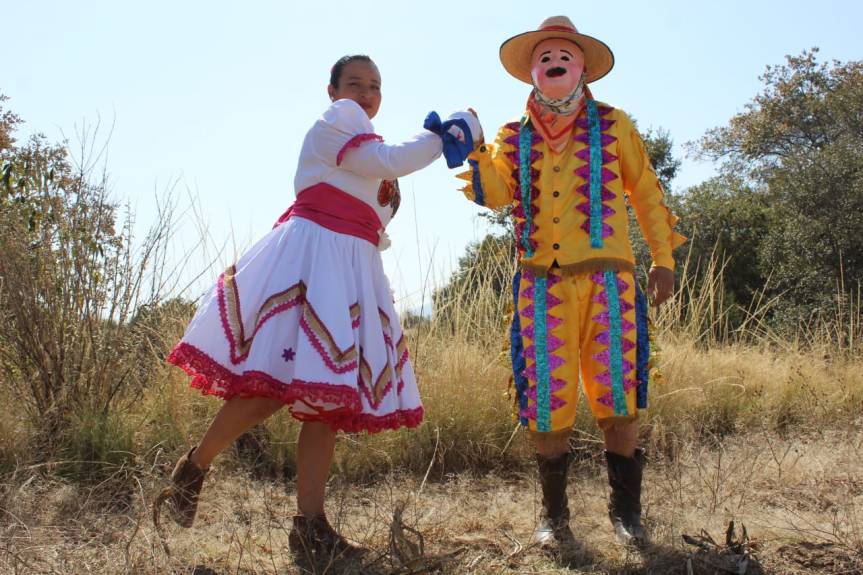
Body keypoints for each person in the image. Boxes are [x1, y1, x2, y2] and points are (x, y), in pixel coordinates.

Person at [155, 54, 481, 565]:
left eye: (375, 86)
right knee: (268, 391)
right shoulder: (338, 121)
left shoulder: (368, 143)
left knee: (325, 402)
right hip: (311, 264)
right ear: (332, 91)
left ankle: (309, 528)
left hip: (348, 271)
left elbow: (377, 197)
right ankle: (194, 467)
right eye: (355, 83)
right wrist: (447, 136)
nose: (367, 93)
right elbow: (391, 161)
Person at [456, 17, 685, 550]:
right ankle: (553, 519)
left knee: (618, 394)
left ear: (582, 66)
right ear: (532, 71)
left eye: (565, 54)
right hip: (541, 285)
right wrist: (472, 148)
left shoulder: (614, 123)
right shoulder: (514, 136)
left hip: (610, 282)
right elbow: (495, 194)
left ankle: (626, 516)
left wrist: (663, 258)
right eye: (545, 56)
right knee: (546, 399)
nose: (555, 61)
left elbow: (646, 193)